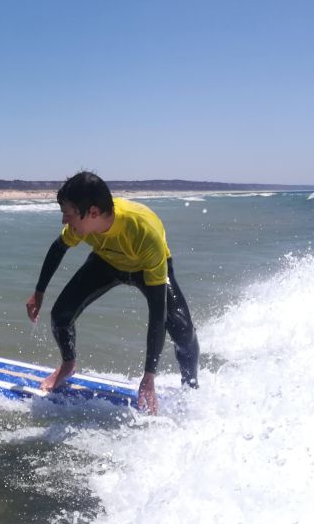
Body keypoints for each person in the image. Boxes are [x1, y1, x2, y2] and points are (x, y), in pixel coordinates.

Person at [25, 171, 200, 414]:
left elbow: (157, 313)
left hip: (144, 267)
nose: (65, 221)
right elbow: (58, 248)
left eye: (68, 214)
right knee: (61, 316)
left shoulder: (143, 233)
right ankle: (68, 364)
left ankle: (191, 388)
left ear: (93, 213)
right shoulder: (80, 225)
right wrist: (39, 293)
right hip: (106, 262)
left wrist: (149, 376)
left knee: (182, 330)